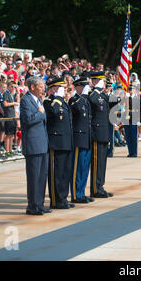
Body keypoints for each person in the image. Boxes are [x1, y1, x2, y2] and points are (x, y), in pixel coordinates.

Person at [20, 76, 51, 215]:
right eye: (40, 86)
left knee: (42, 176)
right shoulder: (25, 100)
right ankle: (32, 205)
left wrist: (40, 112)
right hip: (33, 144)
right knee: (34, 176)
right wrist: (39, 112)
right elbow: (27, 120)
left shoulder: (38, 100)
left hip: (42, 142)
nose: (43, 89)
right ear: (32, 87)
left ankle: (40, 203)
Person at [43, 76, 75, 209]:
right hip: (55, 142)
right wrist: (57, 98)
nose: (64, 90)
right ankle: (56, 200)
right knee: (56, 173)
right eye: (61, 88)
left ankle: (63, 198)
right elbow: (53, 112)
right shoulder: (48, 102)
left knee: (64, 172)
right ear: (54, 89)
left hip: (66, 141)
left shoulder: (62, 102)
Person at [68, 72, 94, 203]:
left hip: (87, 137)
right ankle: (75, 194)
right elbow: (76, 109)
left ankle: (82, 192)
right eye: (84, 86)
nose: (86, 88)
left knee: (84, 168)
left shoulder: (86, 100)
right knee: (77, 169)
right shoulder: (74, 100)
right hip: (78, 138)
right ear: (77, 87)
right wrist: (83, 95)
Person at [88, 71, 114, 198]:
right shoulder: (93, 94)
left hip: (103, 132)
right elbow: (91, 101)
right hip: (96, 133)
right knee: (97, 162)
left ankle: (100, 186)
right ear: (95, 82)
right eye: (102, 81)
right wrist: (97, 88)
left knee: (102, 163)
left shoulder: (103, 96)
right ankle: (95, 188)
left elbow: (112, 102)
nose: (104, 83)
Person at [124, 84, 141, 157]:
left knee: (134, 136)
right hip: (127, 117)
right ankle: (130, 151)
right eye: (129, 90)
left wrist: (138, 120)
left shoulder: (137, 98)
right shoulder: (126, 98)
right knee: (128, 135)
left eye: (132, 90)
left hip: (134, 117)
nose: (130, 91)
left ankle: (134, 152)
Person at [3, 82, 19, 157]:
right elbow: (5, 104)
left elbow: (18, 98)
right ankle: (7, 150)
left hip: (12, 116)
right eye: (12, 86)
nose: (13, 88)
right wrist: (13, 103)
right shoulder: (6, 93)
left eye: (14, 87)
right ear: (8, 86)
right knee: (8, 135)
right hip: (8, 116)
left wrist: (17, 90)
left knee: (12, 135)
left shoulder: (11, 94)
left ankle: (10, 149)